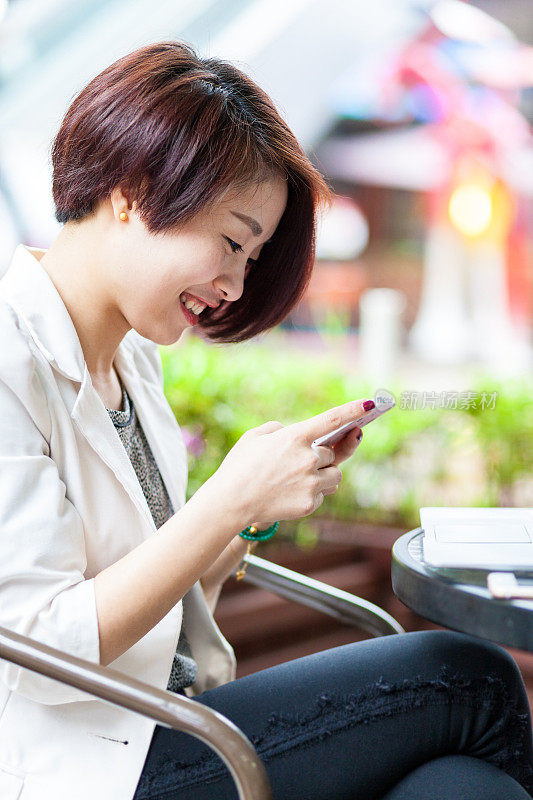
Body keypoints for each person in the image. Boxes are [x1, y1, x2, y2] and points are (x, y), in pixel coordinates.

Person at [0, 40, 531, 800]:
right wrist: (227, 499)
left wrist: (248, 519)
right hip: (83, 765)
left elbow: (163, 605)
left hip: (169, 725)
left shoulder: (131, 360)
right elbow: (37, 648)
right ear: (130, 189)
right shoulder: (8, 359)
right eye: (229, 242)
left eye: (249, 257)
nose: (232, 284)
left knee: (462, 785)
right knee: (468, 677)